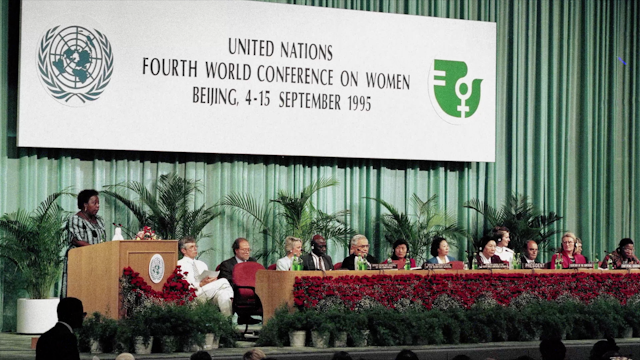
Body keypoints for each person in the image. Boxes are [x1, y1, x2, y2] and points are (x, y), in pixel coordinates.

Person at [62, 189, 107, 297]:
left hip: (97, 259)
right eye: (94, 203)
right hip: (79, 260)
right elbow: (76, 240)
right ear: (85, 204)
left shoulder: (100, 220)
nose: (98, 206)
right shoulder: (76, 219)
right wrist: (96, 249)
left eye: (98, 203)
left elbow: (103, 239)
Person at [177, 237, 233, 316]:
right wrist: (200, 284)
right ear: (183, 250)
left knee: (223, 294)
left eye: (195, 246)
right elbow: (184, 286)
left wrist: (212, 280)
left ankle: (226, 323)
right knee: (223, 281)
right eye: (191, 247)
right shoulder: (179, 264)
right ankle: (233, 297)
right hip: (193, 295)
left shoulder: (202, 264)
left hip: (207, 292)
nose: (195, 249)